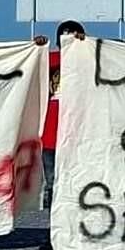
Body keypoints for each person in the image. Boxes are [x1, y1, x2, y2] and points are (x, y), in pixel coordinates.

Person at [34, 20, 85, 208]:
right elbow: (29, 65)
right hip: (50, 137)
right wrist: (35, 48)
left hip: (78, 136)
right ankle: (55, 230)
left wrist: (87, 44)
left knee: (78, 183)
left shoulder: (88, 61)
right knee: (53, 183)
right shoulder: (50, 60)